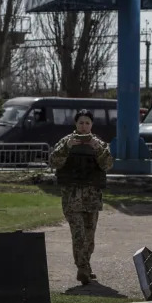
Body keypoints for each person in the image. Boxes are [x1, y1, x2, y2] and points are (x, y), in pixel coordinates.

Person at [49, 109, 114, 285]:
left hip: (92, 199)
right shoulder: (66, 142)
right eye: (80, 123)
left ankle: (85, 265)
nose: (84, 127)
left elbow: (108, 165)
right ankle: (82, 269)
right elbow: (53, 161)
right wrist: (66, 148)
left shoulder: (99, 143)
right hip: (72, 199)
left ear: (91, 125)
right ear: (75, 124)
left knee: (89, 238)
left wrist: (98, 149)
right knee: (79, 236)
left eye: (87, 123)